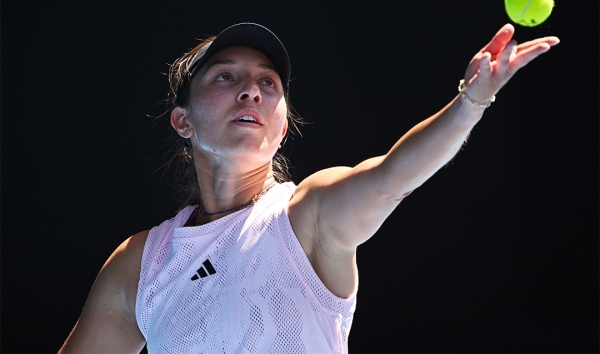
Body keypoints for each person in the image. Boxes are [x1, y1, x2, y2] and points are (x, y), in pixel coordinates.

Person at [59, 22, 559, 353]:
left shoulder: (307, 215)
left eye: (268, 83)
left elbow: (393, 176)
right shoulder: (141, 263)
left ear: (281, 128)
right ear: (182, 121)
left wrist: (470, 102)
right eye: (225, 77)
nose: (251, 90)